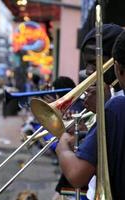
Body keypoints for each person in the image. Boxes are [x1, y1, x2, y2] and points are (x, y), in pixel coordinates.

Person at [55, 26, 125, 200]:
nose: (87, 71)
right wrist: (85, 131)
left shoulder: (115, 106)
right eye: (86, 63)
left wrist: (62, 143)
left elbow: (77, 175)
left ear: (116, 67)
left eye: (95, 63)